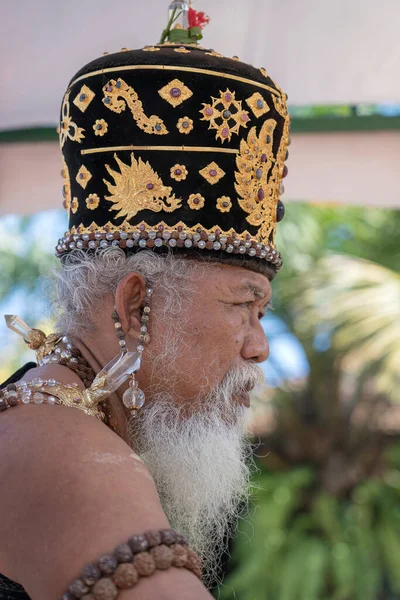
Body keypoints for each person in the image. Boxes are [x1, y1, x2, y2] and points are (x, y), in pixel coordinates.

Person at [0, 5, 290, 599]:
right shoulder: (76, 458)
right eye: (244, 305)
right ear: (135, 306)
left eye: (261, 315)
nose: (259, 348)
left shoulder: (36, 410)